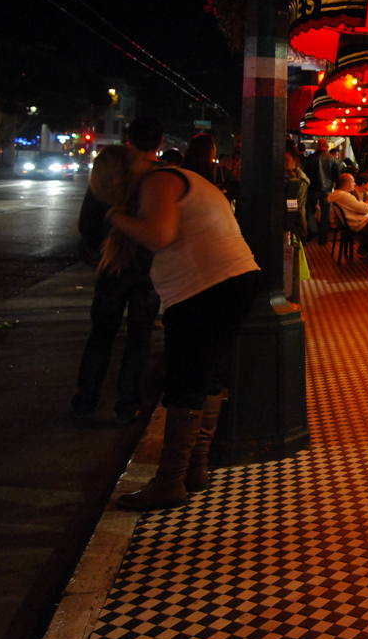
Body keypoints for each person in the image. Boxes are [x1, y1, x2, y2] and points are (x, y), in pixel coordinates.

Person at [91, 145, 260, 511]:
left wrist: (116, 217)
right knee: (207, 377)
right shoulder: (177, 178)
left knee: (185, 381)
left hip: (205, 288)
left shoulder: (159, 180)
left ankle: (170, 481)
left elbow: (160, 235)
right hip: (231, 281)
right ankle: (195, 468)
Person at [72, 117, 164, 426]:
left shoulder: (112, 170)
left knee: (101, 335)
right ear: (160, 143)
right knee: (139, 338)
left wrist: (100, 246)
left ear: (129, 140)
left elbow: (87, 223)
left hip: (112, 265)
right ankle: (128, 405)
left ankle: (85, 401)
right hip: (148, 267)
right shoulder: (162, 177)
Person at [303, 139, 341, 242]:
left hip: (313, 189)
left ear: (317, 146)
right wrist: (338, 187)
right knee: (326, 212)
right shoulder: (333, 159)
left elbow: (305, 174)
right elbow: (337, 175)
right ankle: (323, 236)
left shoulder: (311, 159)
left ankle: (313, 229)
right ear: (327, 146)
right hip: (327, 189)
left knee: (310, 209)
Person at [328, 173, 368, 245]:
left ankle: (365, 248)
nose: (355, 183)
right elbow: (366, 209)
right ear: (347, 184)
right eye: (353, 181)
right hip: (357, 224)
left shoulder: (338, 195)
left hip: (351, 223)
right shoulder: (345, 197)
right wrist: (366, 203)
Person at [284, 148, 310, 244]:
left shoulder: (300, 180)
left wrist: (302, 227)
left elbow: (298, 206)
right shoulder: (287, 176)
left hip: (293, 224)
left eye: (286, 160)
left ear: (295, 159)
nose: (283, 163)